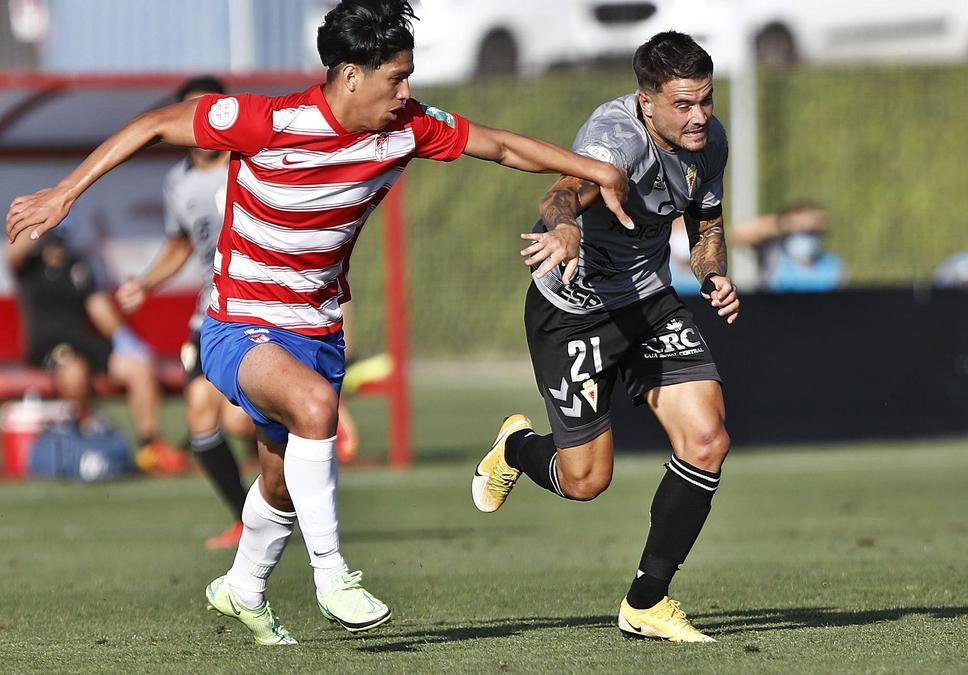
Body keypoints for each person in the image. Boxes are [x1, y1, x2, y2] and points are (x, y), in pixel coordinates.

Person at [6, 0, 631, 646]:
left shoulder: (407, 128)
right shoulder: (269, 121)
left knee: (279, 480)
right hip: (237, 323)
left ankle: (242, 588)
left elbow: (499, 145)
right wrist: (64, 191)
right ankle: (333, 575)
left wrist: (593, 170)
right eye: (398, 77)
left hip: (317, 329)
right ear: (351, 76)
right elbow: (159, 124)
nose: (408, 92)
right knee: (313, 405)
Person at [471, 31, 737, 643]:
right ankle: (516, 449)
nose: (699, 117)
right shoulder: (616, 141)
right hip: (573, 312)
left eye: (706, 101)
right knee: (587, 481)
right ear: (647, 102)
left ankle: (647, 600)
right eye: (683, 105)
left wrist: (713, 271)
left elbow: (706, 222)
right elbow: (562, 191)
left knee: (707, 438)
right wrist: (564, 231)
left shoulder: (708, 139)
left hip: (646, 303)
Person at [115, 75, 258, 549]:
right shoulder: (176, 182)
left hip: (259, 307)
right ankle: (247, 521)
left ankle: (289, 502)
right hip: (210, 312)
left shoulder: (250, 160)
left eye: (211, 109)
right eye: (190, 112)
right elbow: (180, 244)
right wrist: (147, 283)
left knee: (243, 419)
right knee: (200, 413)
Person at [6, 223, 188, 474]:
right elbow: (13, 254)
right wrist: (40, 220)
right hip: (49, 347)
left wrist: (123, 337)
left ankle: (150, 445)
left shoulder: (78, 265)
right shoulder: (30, 265)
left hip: (85, 343)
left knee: (139, 367)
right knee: (74, 368)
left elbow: (97, 305)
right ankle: (84, 433)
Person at [730, 201, 844, 291]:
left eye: (811, 232)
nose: (806, 235)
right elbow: (736, 233)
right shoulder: (774, 255)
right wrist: (785, 222)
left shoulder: (832, 265)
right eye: (801, 230)